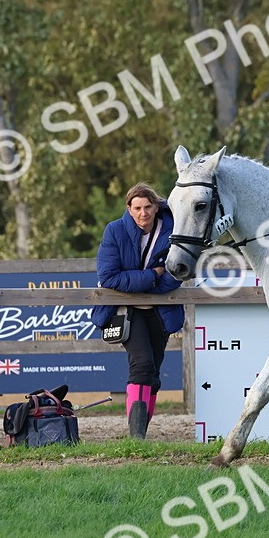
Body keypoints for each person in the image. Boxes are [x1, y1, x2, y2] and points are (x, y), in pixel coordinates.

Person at [92, 182, 185, 439]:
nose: (143, 213)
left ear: (156, 207)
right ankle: (136, 438)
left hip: (161, 310)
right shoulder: (115, 231)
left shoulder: (174, 230)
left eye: (147, 207)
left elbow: (176, 274)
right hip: (126, 311)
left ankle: (140, 435)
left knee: (153, 373)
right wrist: (152, 276)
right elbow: (109, 277)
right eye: (137, 208)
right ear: (129, 209)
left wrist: (142, 283)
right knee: (142, 366)